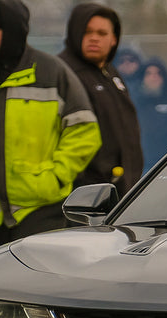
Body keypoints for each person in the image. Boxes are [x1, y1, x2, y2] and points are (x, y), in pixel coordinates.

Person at [0, 0, 101, 262]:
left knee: (40, 295)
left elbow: (84, 131)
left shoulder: (52, 73)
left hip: (42, 214)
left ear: (13, 31)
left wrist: (55, 176)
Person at [58, 3, 143, 196]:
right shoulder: (62, 73)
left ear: (114, 39)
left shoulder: (111, 74)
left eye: (102, 33)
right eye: (87, 32)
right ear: (75, 33)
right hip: (84, 196)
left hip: (122, 190)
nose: (94, 38)